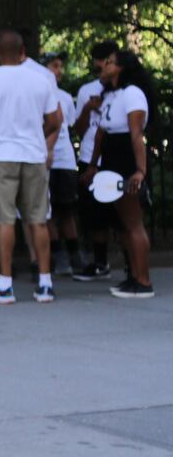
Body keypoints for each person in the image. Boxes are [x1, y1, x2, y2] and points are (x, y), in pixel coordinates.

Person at [0, 30, 63, 304]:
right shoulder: (41, 80)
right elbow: (55, 121)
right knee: (38, 219)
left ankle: (5, 283)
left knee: (4, 219)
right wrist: (36, 136)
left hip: (2, 154)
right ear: (23, 52)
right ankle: (45, 283)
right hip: (33, 155)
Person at [91, 49, 156, 299]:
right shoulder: (110, 95)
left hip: (126, 157)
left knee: (133, 222)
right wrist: (93, 165)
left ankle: (144, 280)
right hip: (112, 156)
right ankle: (133, 276)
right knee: (123, 224)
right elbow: (101, 132)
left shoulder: (132, 94)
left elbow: (136, 134)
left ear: (121, 68)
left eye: (109, 62)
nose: (104, 65)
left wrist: (140, 170)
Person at [72, 40, 119, 281]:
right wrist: (89, 109)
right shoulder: (86, 90)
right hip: (91, 154)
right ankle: (100, 262)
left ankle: (133, 264)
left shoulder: (124, 90)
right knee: (94, 212)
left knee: (119, 212)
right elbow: (79, 129)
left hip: (114, 156)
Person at [39, 53, 84, 276]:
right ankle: (58, 255)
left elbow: (70, 126)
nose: (58, 71)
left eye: (60, 66)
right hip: (43, 159)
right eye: (54, 66)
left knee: (67, 209)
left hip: (65, 158)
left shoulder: (65, 97)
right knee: (48, 212)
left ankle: (75, 252)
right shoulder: (36, 94)